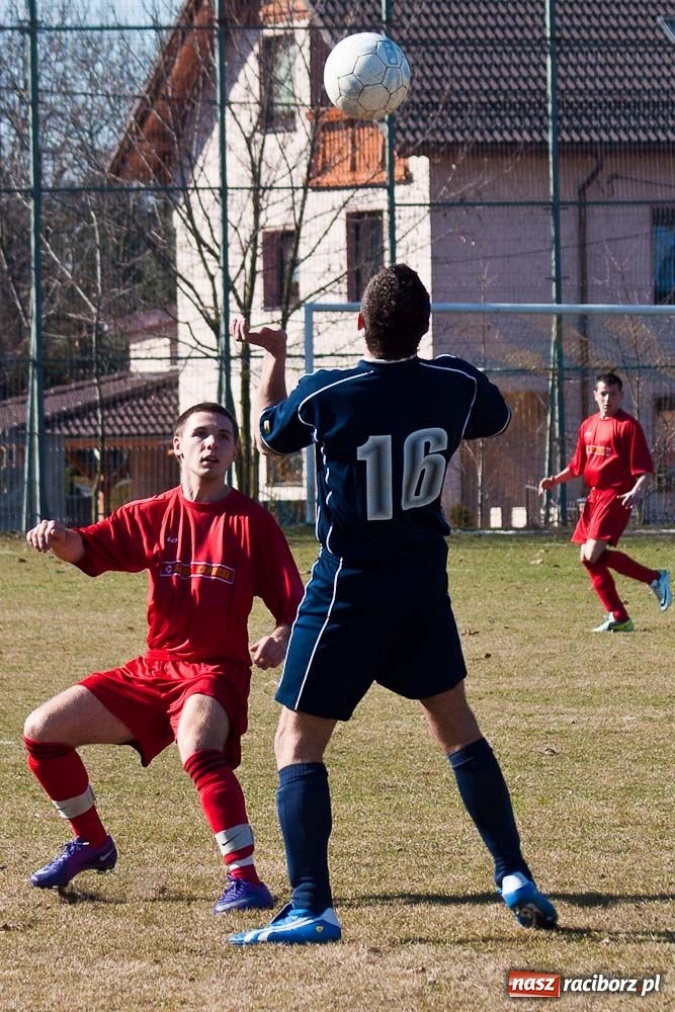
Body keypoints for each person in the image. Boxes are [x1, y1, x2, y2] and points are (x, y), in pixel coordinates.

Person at [226, 264, 558, 946]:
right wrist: (441, 363)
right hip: (421, 582)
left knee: (297, 740)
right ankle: (513, 872)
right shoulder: (452, 382)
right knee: (456, 726)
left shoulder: (330, 391)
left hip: (350, 586)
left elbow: (269, 435)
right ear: (423, 327)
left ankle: (311, 904)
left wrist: (276, 360)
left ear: (357, 324)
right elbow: (490, 413)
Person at [23, 402, 304, 914]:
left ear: (235, 451)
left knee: (197, 745)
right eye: (200, 434)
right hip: (155, 669)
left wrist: (283, 634)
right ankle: (91, 843)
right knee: (42, 729)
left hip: (216, 670)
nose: (211, 444)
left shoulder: (252, 522)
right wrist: (60, 537)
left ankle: (245, 880)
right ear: (176, 446)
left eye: (223, 436)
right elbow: (89, 548)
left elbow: (295, 605)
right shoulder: (154, 513)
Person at [538, 372, 671, 632]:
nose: (607, 398)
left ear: (621, 395)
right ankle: (619, 616)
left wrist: (636, 491)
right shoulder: (588, 426)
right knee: (588, 559)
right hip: (595, 496)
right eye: (603, 393)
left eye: (612, 393)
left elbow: (645, 471)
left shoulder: (628, 427)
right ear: (595, 395)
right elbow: (577, 466)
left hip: (616, 495)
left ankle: (655, 578)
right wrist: (553, 480)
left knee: (591, 553)